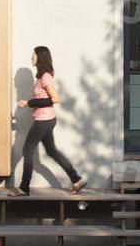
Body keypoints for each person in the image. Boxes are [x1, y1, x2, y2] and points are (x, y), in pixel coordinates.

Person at [8, 46, 86, 197]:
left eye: (33, 55)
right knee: (52, 151)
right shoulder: (41, 77)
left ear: (40, 57)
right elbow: (42, 98)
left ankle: (24, 187)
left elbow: (55, 98)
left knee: (27, 150)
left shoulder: (46, 77)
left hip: (44, 119)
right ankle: (77, 179)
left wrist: (30, 103)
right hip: (45, 119)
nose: (31, 57)